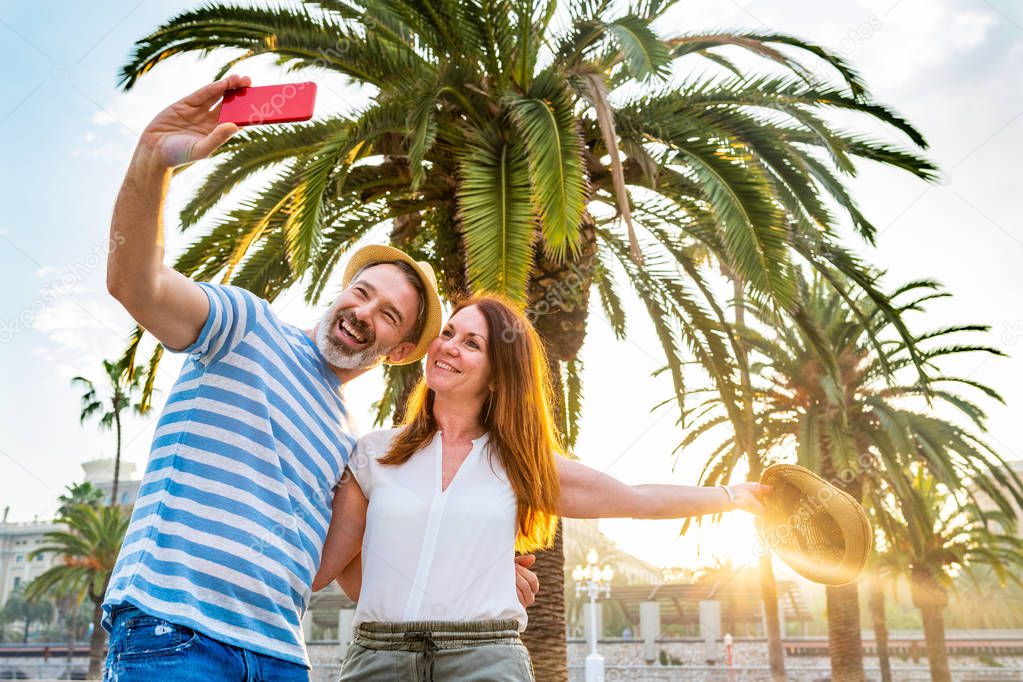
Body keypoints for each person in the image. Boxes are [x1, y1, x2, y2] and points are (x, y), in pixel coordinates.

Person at [100, 75, 538, 682]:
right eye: (362, 293)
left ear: (400, 348)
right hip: (177, 635)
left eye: (388, 315)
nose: (364, 314)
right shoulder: (245, 327)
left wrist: (478, 573)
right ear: (340, 292)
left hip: (282, 655)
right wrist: (153, 162)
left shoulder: (352, 447)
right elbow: (134, 282)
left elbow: (360, 561)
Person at [313, 296, 771, 681]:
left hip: (484, 660)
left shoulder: (521, 464)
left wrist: (732, 497)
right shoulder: (374, 453)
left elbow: (637, 499)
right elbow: (330, 566)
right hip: (377, 658)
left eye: (472, 343)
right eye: (448, 333)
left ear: (497, 374)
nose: (448, 347)